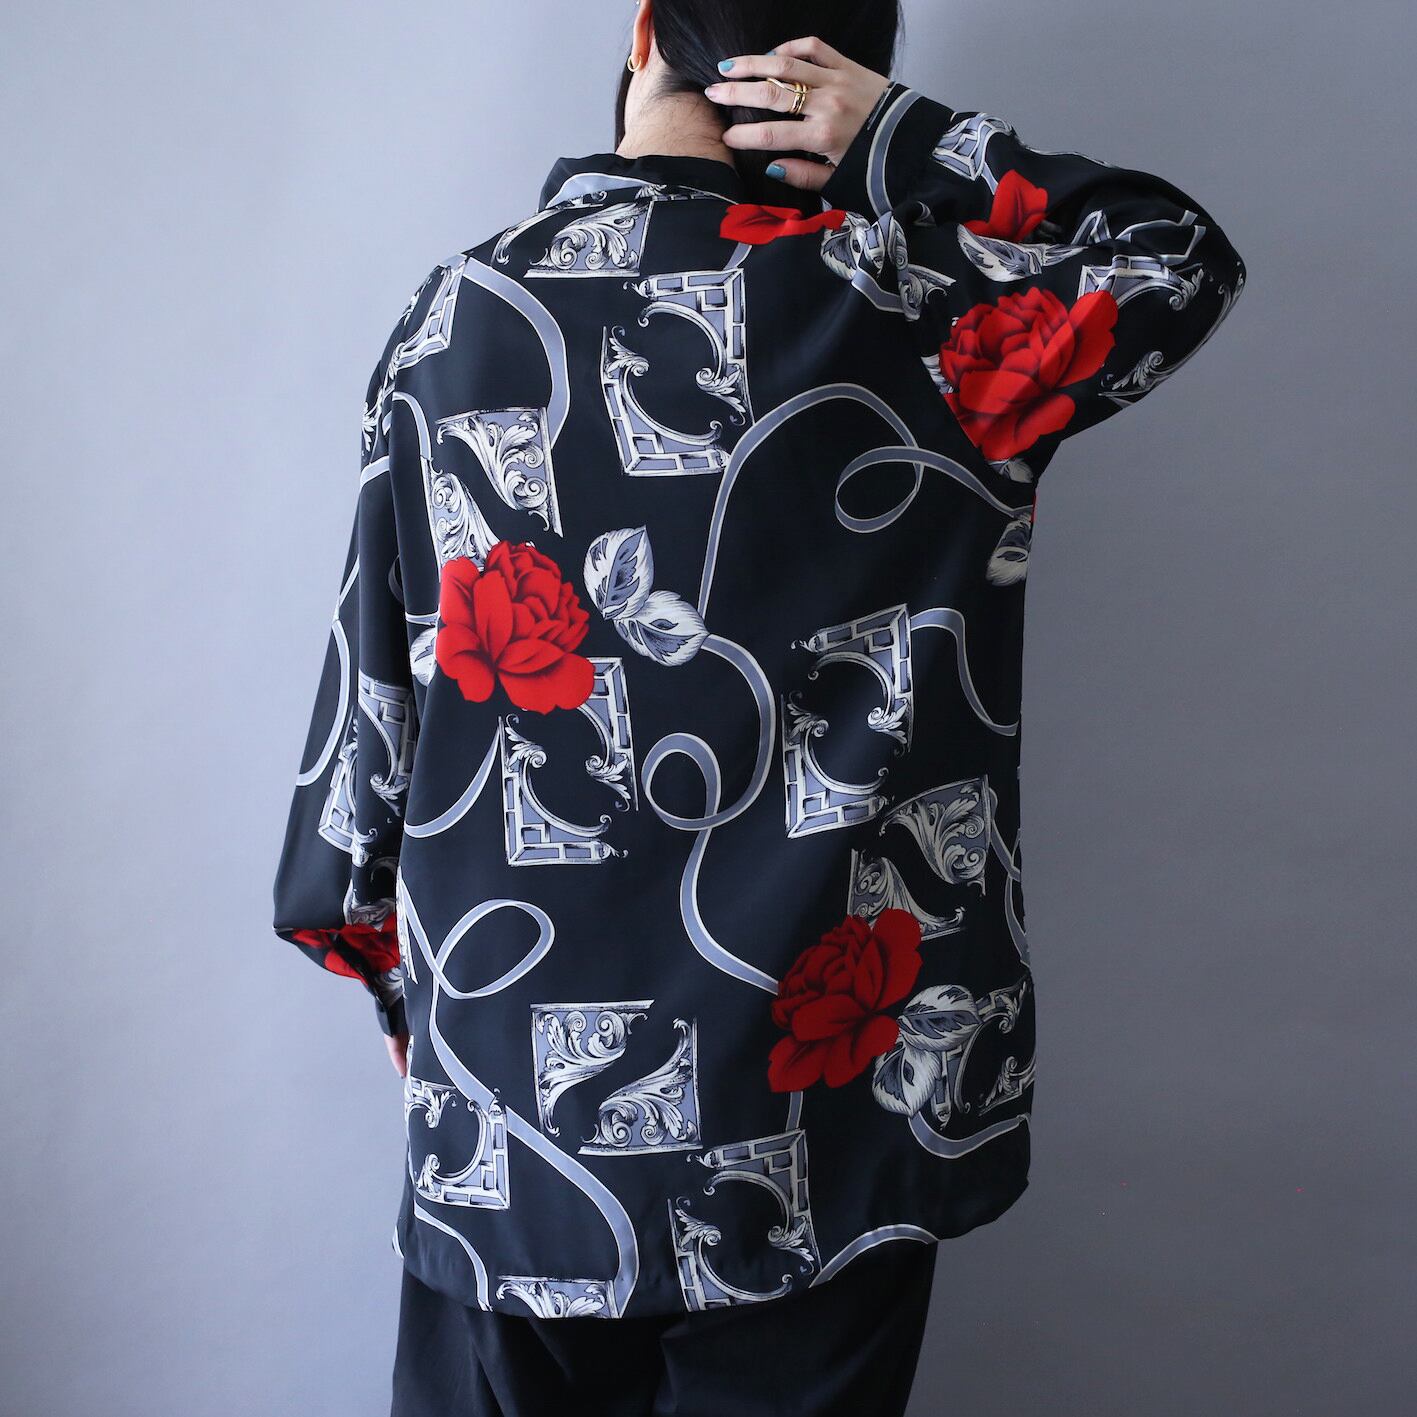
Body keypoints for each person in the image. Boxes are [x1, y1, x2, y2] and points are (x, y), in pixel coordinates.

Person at [270, 2, 1246, 1412]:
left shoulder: (460, 317)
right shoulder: (920, 313)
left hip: (517, 1109)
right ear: (841, 72)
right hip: (831, 1112)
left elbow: (370, 713)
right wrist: (910, 143)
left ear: (643, 30)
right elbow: (1178, 258)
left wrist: (375, 954)